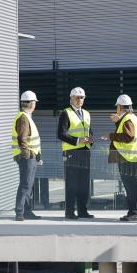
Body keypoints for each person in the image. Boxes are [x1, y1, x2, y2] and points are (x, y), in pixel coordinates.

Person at [57, 87, 94, 220]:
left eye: (82, 97)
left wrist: (91, 139)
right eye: (77, 97)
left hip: (85, 151)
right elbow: (61, 134)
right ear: (71, 98)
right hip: (71, 151)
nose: (80, 100)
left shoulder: (87, 114)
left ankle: (83, 211)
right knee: (72, 183)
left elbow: (89, 131)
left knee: (84, 183)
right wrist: (78, 140)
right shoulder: (65, 113)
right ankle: (69, 212)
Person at [108, 94, 137, 221]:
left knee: (131, 187)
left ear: (120, 107)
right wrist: (118, 122)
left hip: (128, 158)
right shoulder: (132, 118)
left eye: (117, 106)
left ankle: (134, 213)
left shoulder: (127, 119)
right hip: (132, 157)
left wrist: (110, 136)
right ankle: (132, 211)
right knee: (132, 186)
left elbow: (128, 137)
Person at [12, 90, 43, 221]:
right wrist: (27, 154)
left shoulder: (26, 117)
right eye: (34, 102)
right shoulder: (24, 118)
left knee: (29, 185)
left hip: (31, 156)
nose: (35, 105)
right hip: (27, 156)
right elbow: (22, 138)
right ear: (30, 104)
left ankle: (26, 211)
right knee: (25, 184)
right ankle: (20, 211)